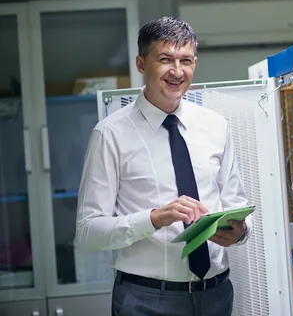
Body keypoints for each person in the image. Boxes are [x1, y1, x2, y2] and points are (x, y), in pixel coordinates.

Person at [75, 16, 252, 316]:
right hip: (145, 300)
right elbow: (88, 232)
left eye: (186, 60)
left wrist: (240, 231)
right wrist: (154, 218)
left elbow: (237, 204)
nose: (177, 71)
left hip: (216, 295)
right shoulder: (110, 134)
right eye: (165, 59)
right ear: (141, 64)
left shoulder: (215, 126)